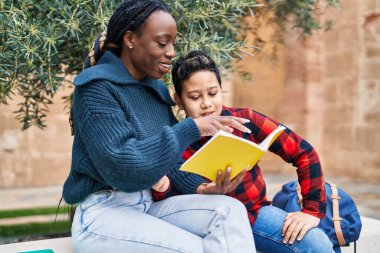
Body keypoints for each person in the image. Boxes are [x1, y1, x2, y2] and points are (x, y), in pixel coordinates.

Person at [62, 1, 257, 253]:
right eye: (162, 43)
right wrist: (191, 127)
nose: (171, 52)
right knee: (198, 249)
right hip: (103, 213)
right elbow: (122, 166)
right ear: (130, 39)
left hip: (148, 205)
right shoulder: (96, 88)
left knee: (229, 210)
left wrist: (202, 188)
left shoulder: (155, 91)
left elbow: (171, 163)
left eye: (173, 44)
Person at [152, 50, 335, 253]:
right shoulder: (177, 139)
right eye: (195, 97)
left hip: (254, 214)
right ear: (179, 101)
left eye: (213, 93)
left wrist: (311, 211)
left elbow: (304, 152)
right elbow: (171, 200)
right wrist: (161, 187)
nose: (207, 104)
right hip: (204, 222)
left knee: (318, 245)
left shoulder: (245, 119)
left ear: (221, 90)